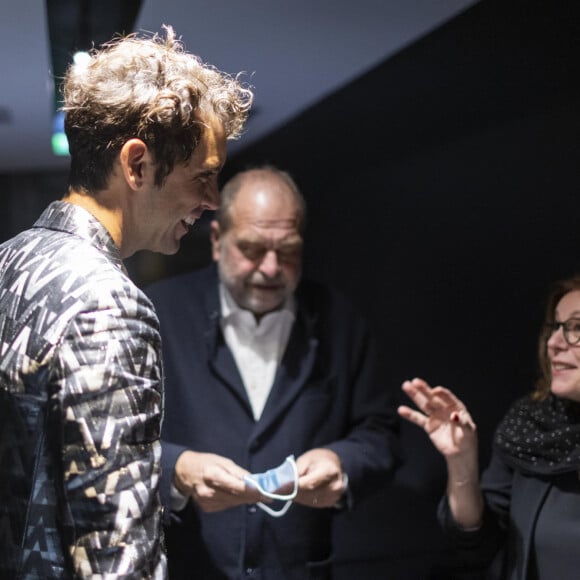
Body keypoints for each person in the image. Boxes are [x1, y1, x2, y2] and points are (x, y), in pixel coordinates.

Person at [0, 26, 252, 578]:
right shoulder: (110, 305)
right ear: (137, 165)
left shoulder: (7, 260)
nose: (211, 203)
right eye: (202, 177)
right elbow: (118, 555)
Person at [145, 166, 400, 580]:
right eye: (252, 249)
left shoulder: (341, 320)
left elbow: (382, 433)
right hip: (187, 567)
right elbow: (113, 447)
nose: (270, 268)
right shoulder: (159, 315)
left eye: (287, 251)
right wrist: (177, 468)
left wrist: (343, 461)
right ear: (216, 241)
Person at [398, 274, 580, 579]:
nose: (554, 343)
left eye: (576, 328)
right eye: (555, 327)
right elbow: (479, 544)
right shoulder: (531, 426)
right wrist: (461, 462)